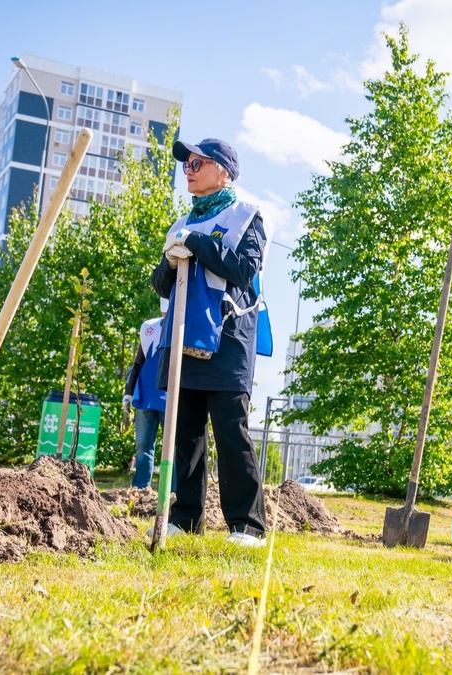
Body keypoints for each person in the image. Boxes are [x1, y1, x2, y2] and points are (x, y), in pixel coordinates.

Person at [148, 137, 271, 547]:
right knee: (184, 435)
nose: (189, 169)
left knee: (230, 432)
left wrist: (199, 244)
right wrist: (168, 261)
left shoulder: (246, 216)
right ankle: (184, 518)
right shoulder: (181, 222)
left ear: (223, 171)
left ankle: (247, 526)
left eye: (198, 163)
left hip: (227, 339)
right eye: (186, 163)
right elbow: (161, 287)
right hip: (182, 336)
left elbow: (244, 269)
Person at [123, 300, 167, 490]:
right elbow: (138, 363)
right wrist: (129, 391)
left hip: (170, 400)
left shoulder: (184, 329)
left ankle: (173, 490)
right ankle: (141, 488)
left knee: (172, 448)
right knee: (142, 445)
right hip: (146, 396)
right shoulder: (150, 328)